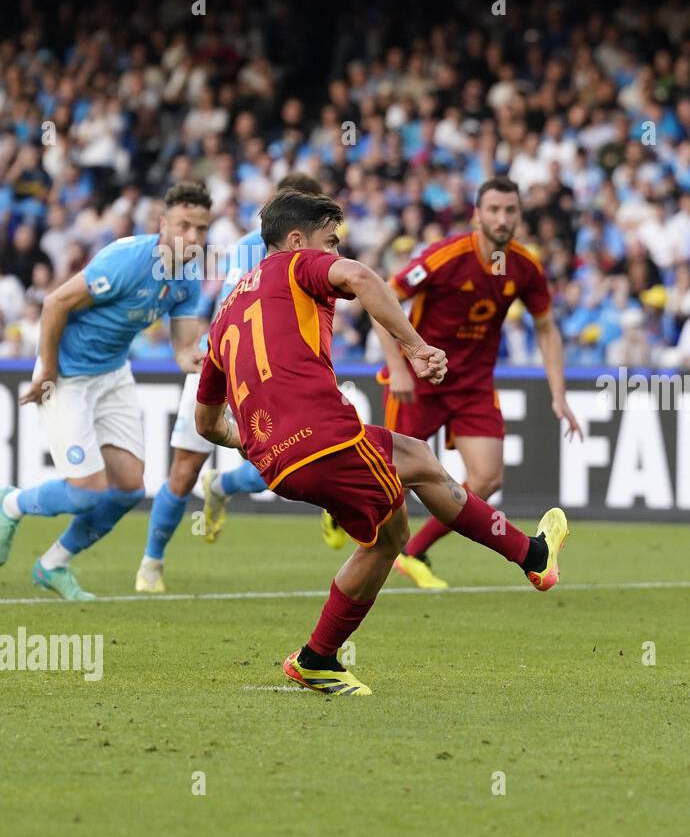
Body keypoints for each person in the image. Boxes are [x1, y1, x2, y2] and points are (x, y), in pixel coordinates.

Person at [194, 189, 569, 696]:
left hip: (275, 461)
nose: (335, 251)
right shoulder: (296, 264)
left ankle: (530, 556)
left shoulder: (224, 317)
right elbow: (363, 278)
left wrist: (261, 442)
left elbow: (208, 425)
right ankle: (532, 557)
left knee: (399, 506)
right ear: (298, 240)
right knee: (409, 486)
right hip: (324, 438)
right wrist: (414, 348)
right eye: (331, 241)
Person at [351, 176, 582, 590]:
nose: (502, 218)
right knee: (386, 476)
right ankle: (340, 515)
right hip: (421, 378)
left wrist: (559, 393)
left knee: (488, 476)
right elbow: (381, 298)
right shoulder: (446, 256)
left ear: (519, 216)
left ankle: (413, 552)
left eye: (510, 210)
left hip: (473, 384)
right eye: (494, 209)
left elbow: (546, 329)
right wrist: (399, 366)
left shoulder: (525, 268)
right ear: (477, 214)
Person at [0, 183, 213, 599]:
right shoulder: (126, 260)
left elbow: (184, 347)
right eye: (184, 226)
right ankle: (11, 504)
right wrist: (46, 369)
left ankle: (53, 564)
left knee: (130, 487)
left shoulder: (188, 276)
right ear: (163, 223)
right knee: (85, 493)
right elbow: (56, 303)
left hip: (114, 374)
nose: (192, 238)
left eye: (201, 229)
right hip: (70, 377)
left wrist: (200, 359)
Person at [136, 172, 326, 593]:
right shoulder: (247, 249)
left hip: (278, 375)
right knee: (184, 472)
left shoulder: (322, 258)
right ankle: (151, 562)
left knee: (291, 455)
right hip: (225, 365)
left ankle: (222, 485)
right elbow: (234, 302)